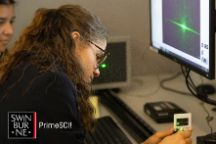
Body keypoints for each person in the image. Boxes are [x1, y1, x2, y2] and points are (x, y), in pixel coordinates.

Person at [0, 4, 192, 144]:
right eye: (98, 56)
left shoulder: (28, 68)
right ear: (76, 40)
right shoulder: (52, 85)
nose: (98, 70)